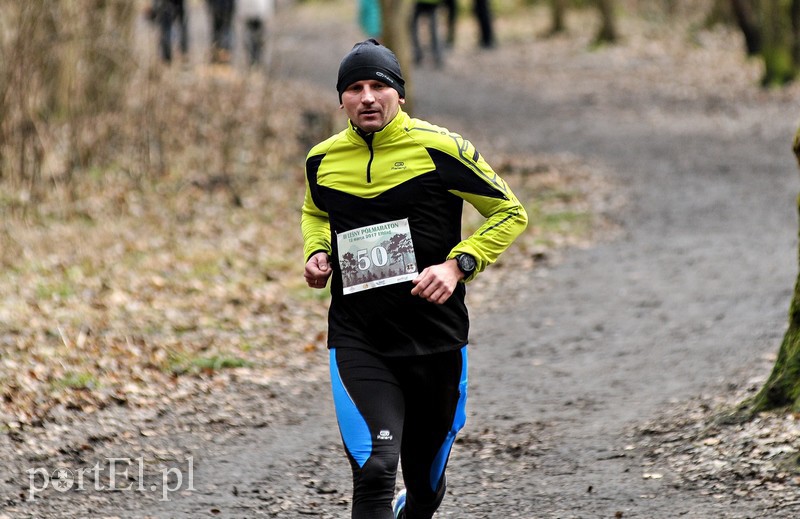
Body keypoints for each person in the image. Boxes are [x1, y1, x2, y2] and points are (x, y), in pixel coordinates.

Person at [300, 39, 527, 518]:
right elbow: (315, 212)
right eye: (355, 88)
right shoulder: (322, 159)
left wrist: (458, 264)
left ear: (399, 95)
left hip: (435, 340)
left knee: (423, 487)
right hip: (359, 335)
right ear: (341, 98)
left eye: (379, 86)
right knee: (375, 467)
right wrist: (318, 250)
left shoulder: (440, 147)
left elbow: (509, 211)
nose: (367, 97)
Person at [410, 0, 444, 67]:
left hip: (423, 3)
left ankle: (418, 54)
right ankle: (437, 56)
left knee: (414, 27)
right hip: (432, 3)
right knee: (434, 29)